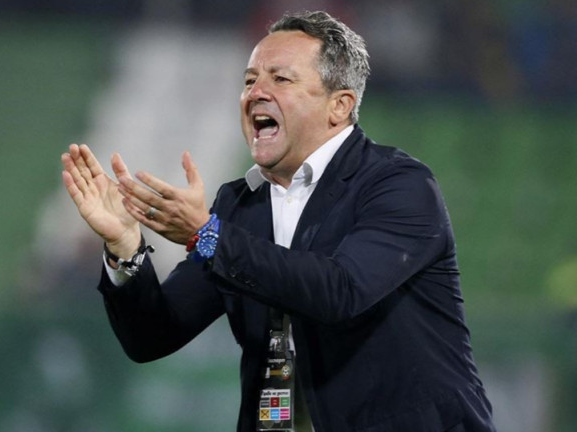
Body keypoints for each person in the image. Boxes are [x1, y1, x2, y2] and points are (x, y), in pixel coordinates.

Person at [61, 10, 496, 432]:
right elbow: (152, 337)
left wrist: (208, 235)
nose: (256, 92)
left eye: (280, 79)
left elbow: (340, 292)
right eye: (249, 80)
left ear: (339, 106)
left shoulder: (398, 185)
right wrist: (125, 247)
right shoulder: (239, 206)